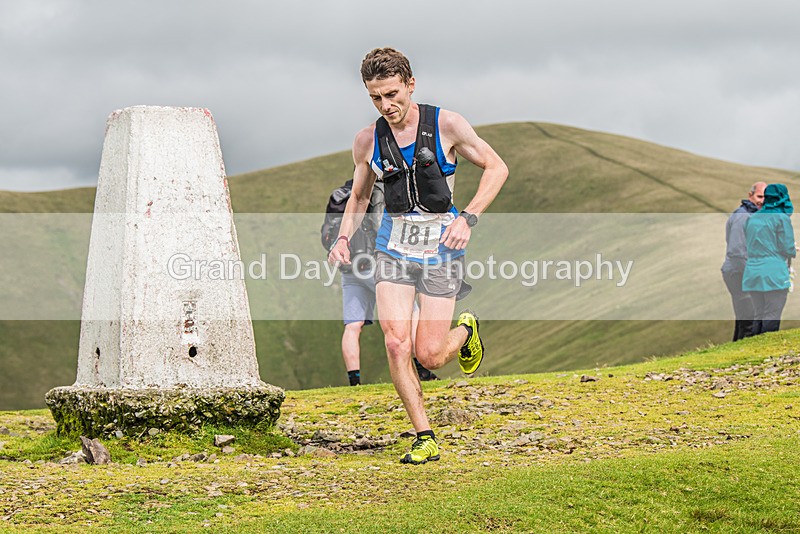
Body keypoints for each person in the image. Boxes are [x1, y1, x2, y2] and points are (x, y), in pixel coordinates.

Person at [329, 47, 508, 465]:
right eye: (376, 98)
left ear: (410, 84)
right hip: (392, 249)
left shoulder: (446, 124)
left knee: (429, 354)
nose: (386, 105)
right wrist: (342, 237)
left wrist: (468, 218)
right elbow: (357, 196)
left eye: (392, 94)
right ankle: (423, 435)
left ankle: (465, 331)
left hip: (441, 250)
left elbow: (497, 167)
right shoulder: (366, 140)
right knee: (395, 343)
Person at [324, 180, 438, 386]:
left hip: (349, 267)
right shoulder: (376, 190)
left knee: (353, 325)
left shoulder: (339, 195)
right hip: (374, 263)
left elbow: (326, 234)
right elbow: (379, 226)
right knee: (410, 310)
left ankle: (354, 381)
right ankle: (422, 370)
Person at [742, 183, 796, 335]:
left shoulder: (752, 218)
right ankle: (766, 354)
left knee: (759, 313)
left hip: (752, 272)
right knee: (772, 313)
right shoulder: (781, 218)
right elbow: (787, 248)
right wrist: (794, 249)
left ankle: (754, 350)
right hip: (773, 273)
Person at [721, 182, 766, 341]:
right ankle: (744, 357)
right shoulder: (743, 216)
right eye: (759, 196)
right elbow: (737, 251)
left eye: (765, 197)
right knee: (749, 319)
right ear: (750, 195)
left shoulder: (754, 216)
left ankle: (735, 353)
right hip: (738, 272)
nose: (762, 200)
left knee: (744, 319)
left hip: (742, 271)